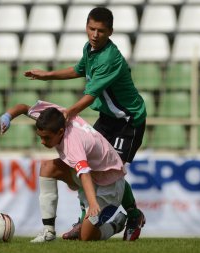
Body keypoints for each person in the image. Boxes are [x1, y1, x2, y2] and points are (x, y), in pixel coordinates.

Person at [23, 7, 146, 241]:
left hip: (128, 121)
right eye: (91, 28)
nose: (95, 34)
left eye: (101, 30)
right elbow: (79, 70)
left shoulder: (110, 57)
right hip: (108, 119)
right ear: (86, 27)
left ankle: (132, 215)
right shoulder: (90, 49)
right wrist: (48, 75)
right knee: (88, 166)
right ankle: (84, 221)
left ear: (110, 31)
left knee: (113, 172)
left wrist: (68, 112)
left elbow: (90, 95)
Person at [0, 100, 132, 241]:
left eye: (47, 138)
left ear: (61, 132)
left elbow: (84, 173)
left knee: (86, 236)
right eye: (40, 137)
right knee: (47, 167)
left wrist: (93, 203)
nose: (42, 142)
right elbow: (22, 107)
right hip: (93, 173)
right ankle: (48, 232)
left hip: (109, 183)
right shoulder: (54, 118)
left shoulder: (73, 144)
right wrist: (7, 117)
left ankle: (115, 226)